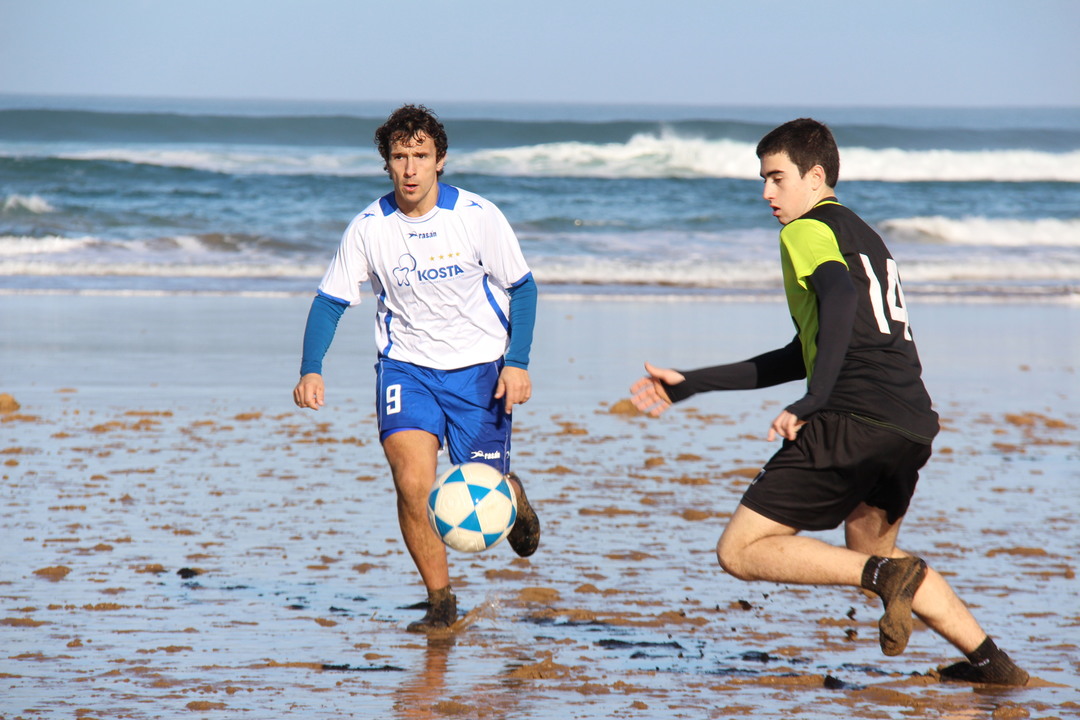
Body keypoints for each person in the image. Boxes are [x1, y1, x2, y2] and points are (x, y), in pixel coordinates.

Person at [630, 118, 1028, 685]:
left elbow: (838, 299)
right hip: (909, 423)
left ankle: (886, 580)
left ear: (815, 177)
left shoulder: (805, 230)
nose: (766, 193)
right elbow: (805, 351)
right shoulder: (865, 236)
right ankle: (994, 665)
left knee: (739, 550)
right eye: (762, 180)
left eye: (777, 178)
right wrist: (692, 381)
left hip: (852, 414)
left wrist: (815, 399)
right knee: (873, 552)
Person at [293, 104, 541, 633]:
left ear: (440, 160)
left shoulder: (477, 216)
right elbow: (330, 301)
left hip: (479, 370)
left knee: (482, 493)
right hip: (406, 370)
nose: (410, 168)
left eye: (420, 156)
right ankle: (440, 602)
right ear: (386, 163)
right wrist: (311, 367)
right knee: (412, 483)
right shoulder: (368, 228)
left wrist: (517, 363)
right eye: (399, 156)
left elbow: (523, 289)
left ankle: (512, 494)